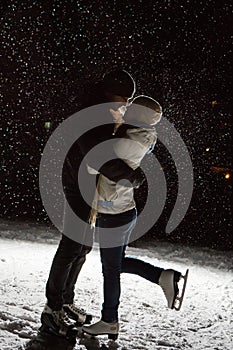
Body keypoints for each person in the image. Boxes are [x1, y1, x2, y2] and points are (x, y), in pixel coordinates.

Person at [39, 69, 146, 340]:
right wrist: (133, 176)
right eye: (125, 98)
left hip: (87, 186)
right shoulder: (94, 113)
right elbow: (99, 155)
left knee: (83, 246)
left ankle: (64, 301)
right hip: (78, 186)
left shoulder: (104, 112)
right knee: (72, 245)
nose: (127, 104)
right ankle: (52, 308)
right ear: (112, 92)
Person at [82, 96, 187, 340]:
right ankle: (163, 277)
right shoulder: (137, 135)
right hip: (121, 210)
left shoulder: (128, 140)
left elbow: (91, 165)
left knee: (111, 270)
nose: (125, 109)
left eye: (131, 107)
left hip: (114, 211)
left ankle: (109, 320)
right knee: (116, 264)